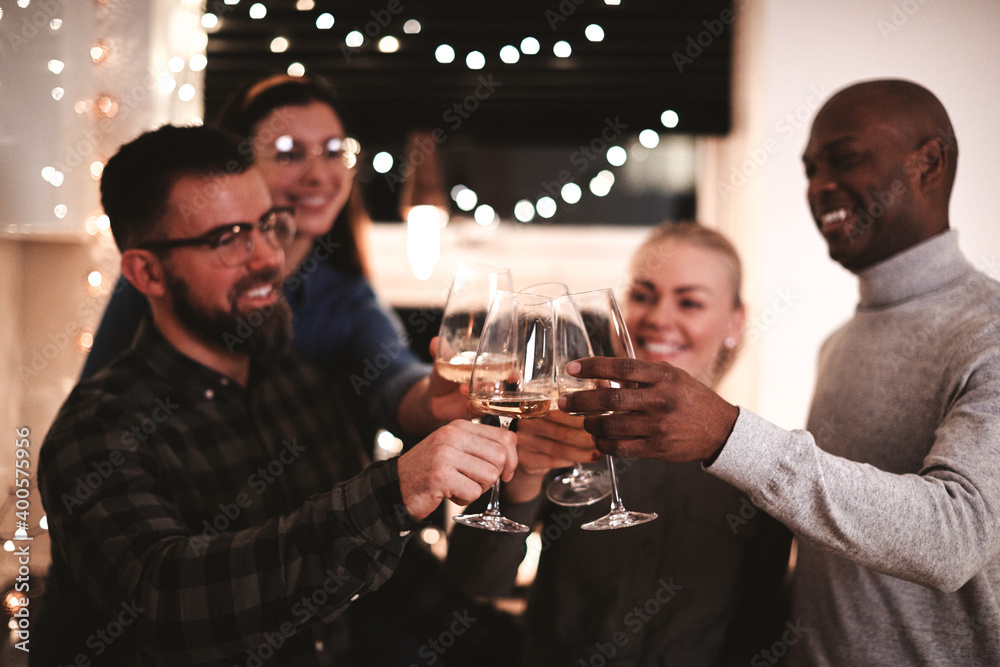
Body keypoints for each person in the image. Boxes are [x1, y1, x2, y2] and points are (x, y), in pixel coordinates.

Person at [34, 124, 518, 665]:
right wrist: (393, 491)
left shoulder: (302, 386)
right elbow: (164, 603)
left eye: (267, 225)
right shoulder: (95, 429)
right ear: (147, 272)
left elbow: (402, 587)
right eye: (227, 238)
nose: (267, 257)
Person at [561, 79, 1000, 664]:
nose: (819, 187)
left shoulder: (988, 330)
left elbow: (954, 539)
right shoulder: (840, 344)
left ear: (930, 163)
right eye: (810, 169)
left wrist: (727, 434)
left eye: (843, 160)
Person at [446, 222, 792, 665]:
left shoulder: (760, 467)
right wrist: (523, 475)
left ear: (735, 322)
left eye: (689, 302)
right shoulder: (566, 431)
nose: (659, 318)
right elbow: (473, 579)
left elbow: (758, 632)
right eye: (644, 295)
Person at [81, 74, 455, 444]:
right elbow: (94, 419)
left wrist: (435, 397)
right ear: (234, 163)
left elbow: (392, 378)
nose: (319, 175)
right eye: (289, 153)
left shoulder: (342, 295)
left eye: (332, 151)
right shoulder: (169, 272)